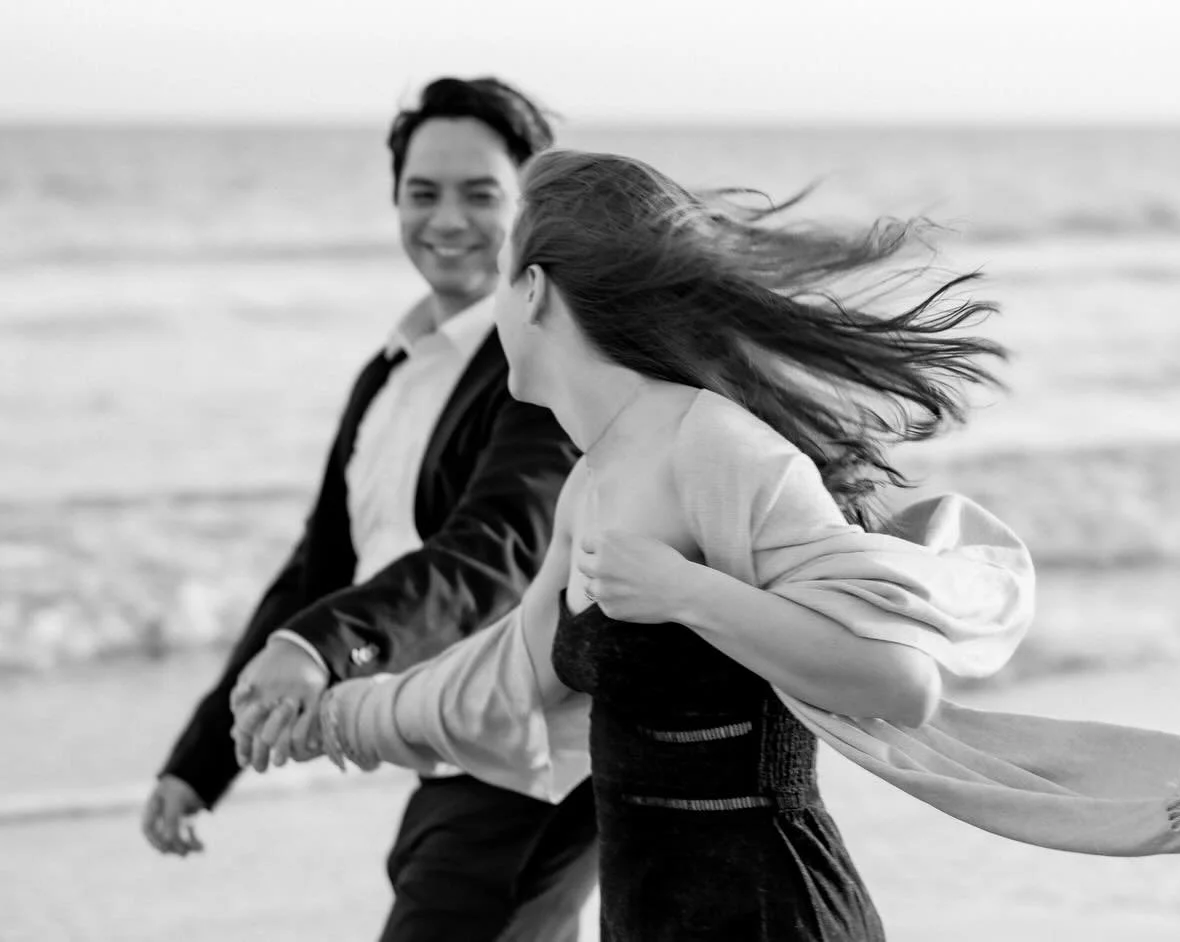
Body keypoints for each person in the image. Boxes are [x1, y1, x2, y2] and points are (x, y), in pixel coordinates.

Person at [243, 148, 1040, 940]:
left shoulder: (718, 449)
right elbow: (511, 676)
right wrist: (336, 715)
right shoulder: (592, 483)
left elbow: (899, 682)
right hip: (650, 917)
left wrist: (687, 594)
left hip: (770, 914)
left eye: (498, 281)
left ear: (533, 291)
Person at [141, 79, 598, 942]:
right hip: (442, 743)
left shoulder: (542, 365)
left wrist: (325, 646)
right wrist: (201, 762)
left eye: (480, 194)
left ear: (530, 204)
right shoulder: (388, 371)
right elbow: (317, 570)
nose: (448, 221)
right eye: (422, 194)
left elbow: (494, 551)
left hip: (537, 762)